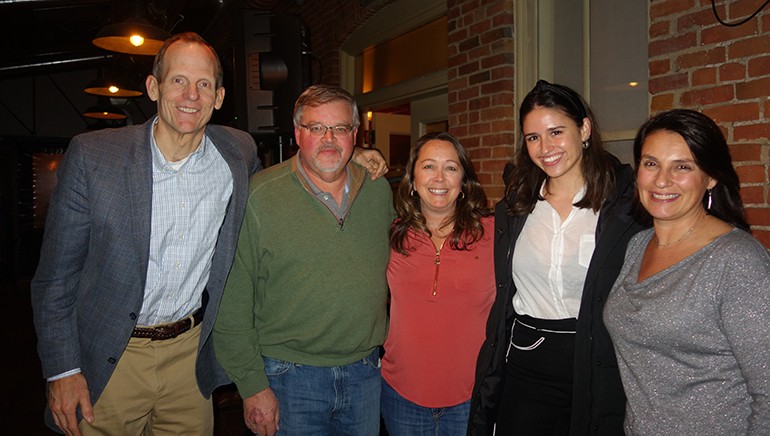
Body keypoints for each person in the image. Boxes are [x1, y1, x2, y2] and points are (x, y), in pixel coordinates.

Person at [30, 33, 386, 436]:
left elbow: (307, 161)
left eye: (204, 85)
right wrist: (63, 369)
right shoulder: (95, 157)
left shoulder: (237, 153)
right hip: (111, 356)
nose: (191, 95)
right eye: (178, 80)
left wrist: (348, 151)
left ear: (219, 97)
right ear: (153, 87)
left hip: (190, 356)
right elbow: (54, 279)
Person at [213, 84, 394, 436]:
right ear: (297, 133)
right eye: (315, 128)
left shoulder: (377, 190)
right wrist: (251, 385)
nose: (329, 139)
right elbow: (231, 300)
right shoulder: (259, 196)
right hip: (288, 378)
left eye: (340, 128)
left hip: (366, 374)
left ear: (355, 134)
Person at [467, 80, 647, 436]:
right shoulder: (516, 207)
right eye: (533, 137)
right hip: (526, 361)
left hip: (598, 362)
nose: (544, 148)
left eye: (555, 132)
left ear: (584, 129)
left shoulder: (624, 207)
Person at [604, 109, 770, 435]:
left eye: (682, 167)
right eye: (651, 163)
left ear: (711, 177)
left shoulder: (737, 263)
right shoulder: (638, 245)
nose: (662, 180)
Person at [381, 132, 495, 435]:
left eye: (451, 168)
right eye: (429, 166)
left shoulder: (495, 234)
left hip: (471, 398)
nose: (440, 178)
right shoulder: (391, 233)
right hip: (400, 394)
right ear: (413, 180)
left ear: (464, 183)